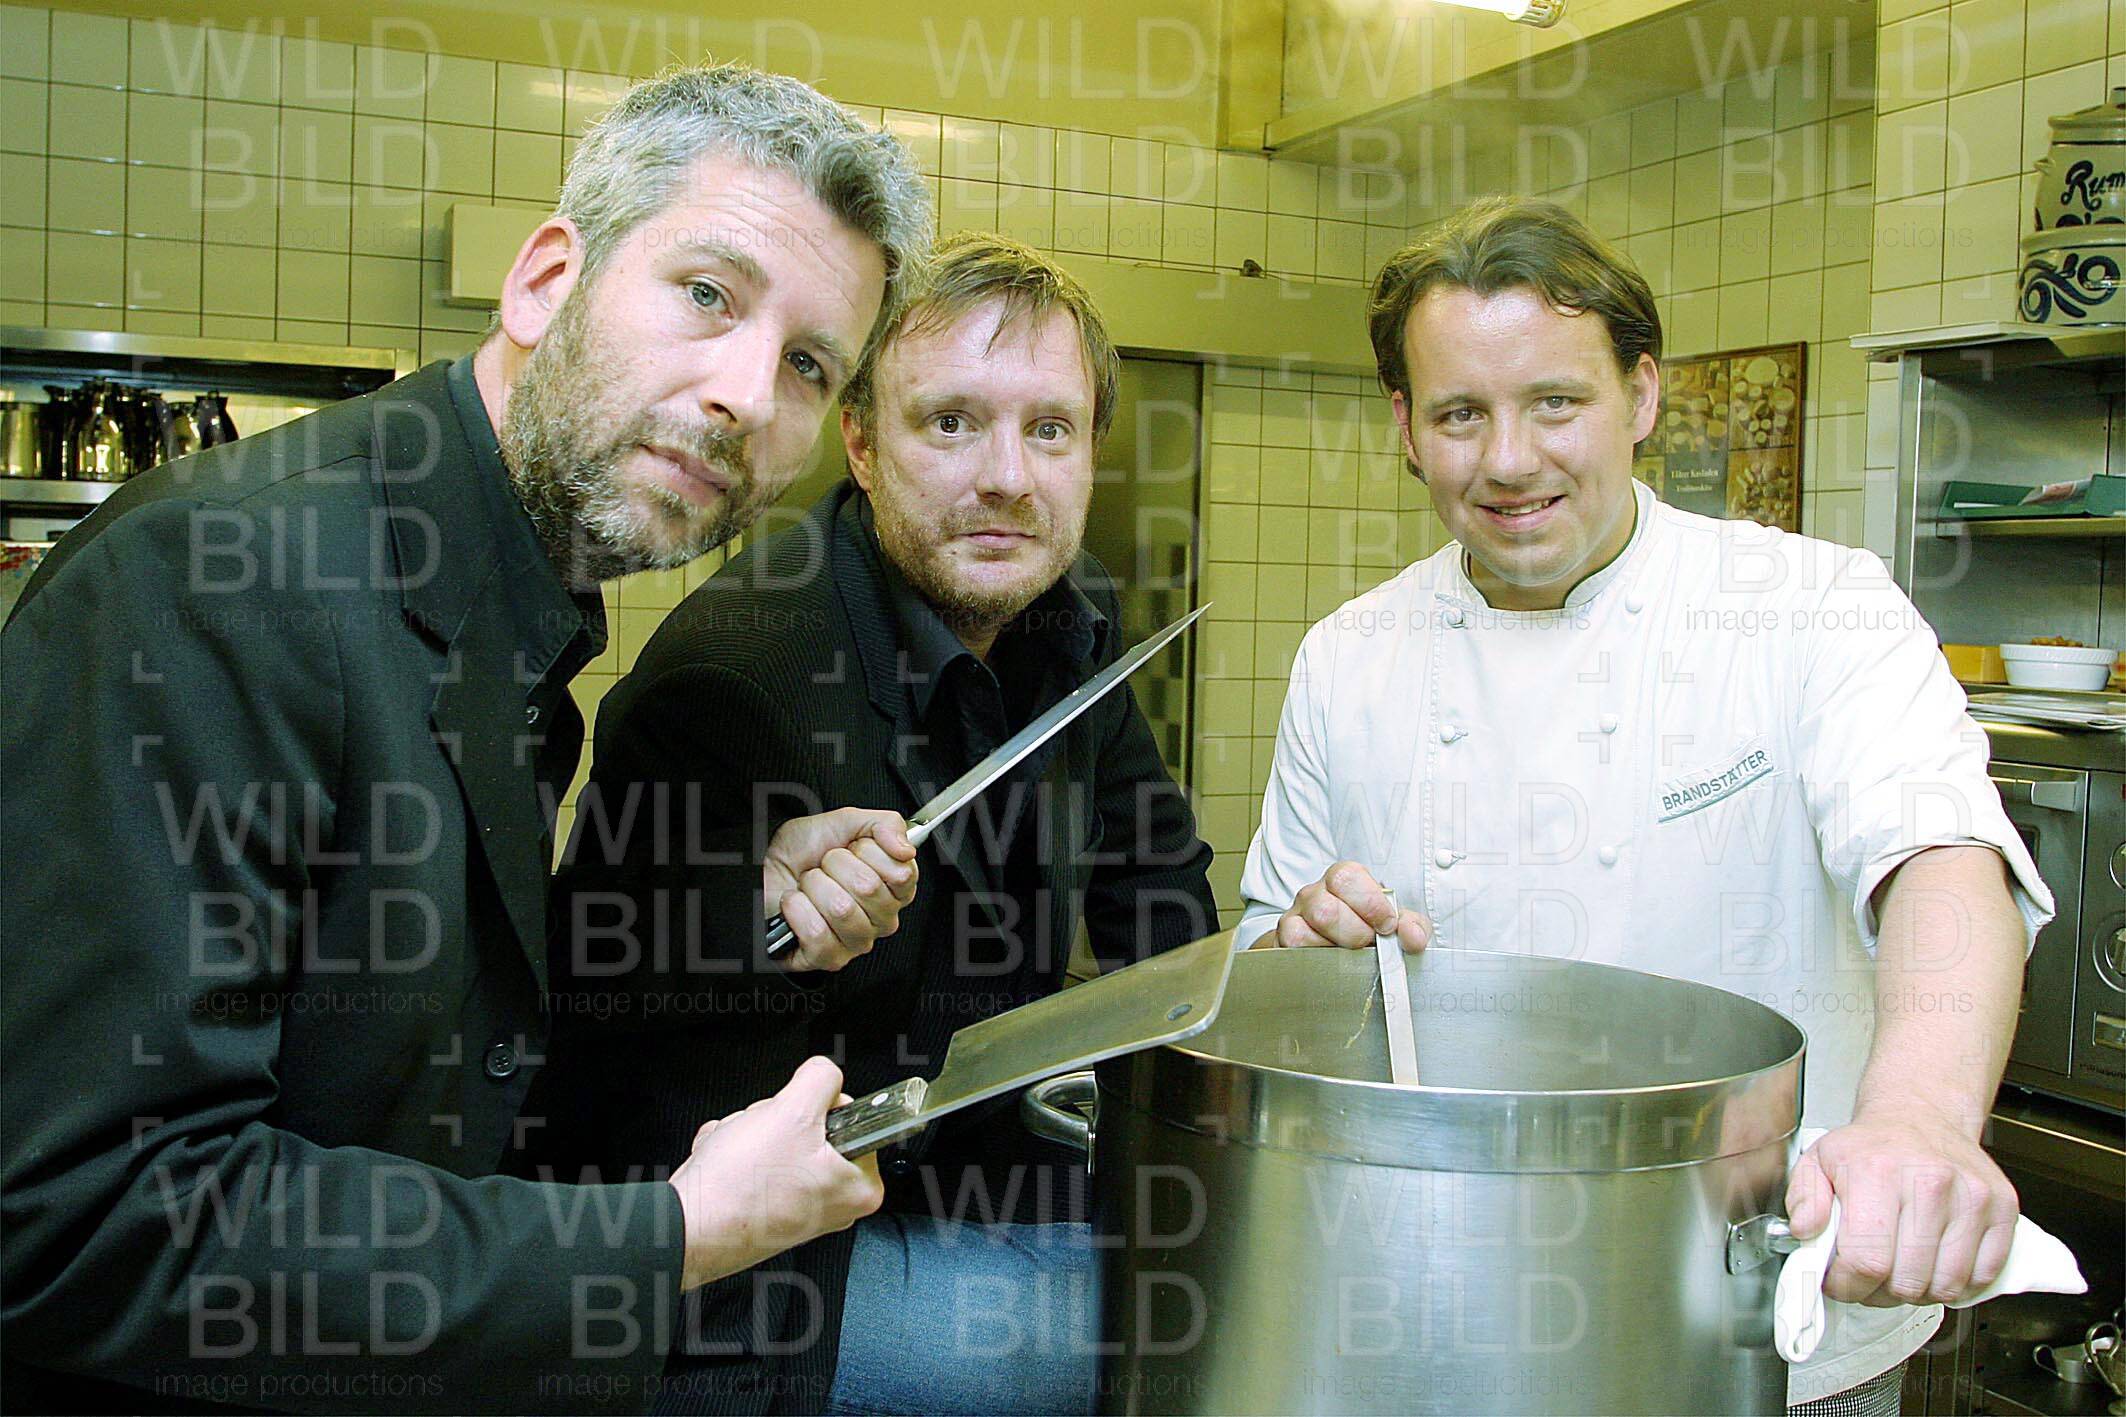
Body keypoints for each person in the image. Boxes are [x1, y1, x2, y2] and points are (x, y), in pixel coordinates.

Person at [0, 61, 931, 1415]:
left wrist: (738, 916)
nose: (744, 393)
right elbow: (85, 1214)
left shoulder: (506, 600)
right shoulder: (219, 582)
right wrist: (665, 1239)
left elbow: (407, 1041)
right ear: (545, 281)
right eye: (706, 293)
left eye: (806, 363)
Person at [1237, 196, 2052, 1416]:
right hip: (1432, 1314)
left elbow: (1938, 860)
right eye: (1459, 414)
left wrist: (1922, 1121)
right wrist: (1302, 961)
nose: (1508, 460)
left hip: (1754, 1321)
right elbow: (1262, 971)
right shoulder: (1347, 657)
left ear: (1641, 396)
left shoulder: (1807, 607)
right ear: (1405, 428)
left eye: (1554, 402)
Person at [542, 231, 1218, 1415]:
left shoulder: (1070, 617)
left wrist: (1269, 974)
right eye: (949, 423)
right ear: (859, 441)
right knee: (1189, 1347)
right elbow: (600, 1023)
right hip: (755, 1276)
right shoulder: (738, 676)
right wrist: (757, 930)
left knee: (1239, 1272)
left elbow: (1163, 903)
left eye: (1048, 430)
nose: (1006, 477)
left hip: (971, 1175)